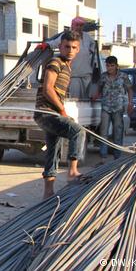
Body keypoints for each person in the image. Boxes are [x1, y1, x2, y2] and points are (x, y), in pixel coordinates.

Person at [34, 30, 85, 199]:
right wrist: (63, 111)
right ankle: (72, 171)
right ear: (60, 47)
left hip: (50, 113)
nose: (70, 50)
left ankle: (48, 193)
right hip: (46, 113)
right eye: (66, 46)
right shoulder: (55, 62)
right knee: (78, 131)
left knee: (53, 150)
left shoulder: (66, 67)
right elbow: (48, 89)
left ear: (78, 49)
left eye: (73, 47)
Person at [38, 16, 98, 99]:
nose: (79, 27)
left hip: (85, 76)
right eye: (77, 25)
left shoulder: (88, 38)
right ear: (72, 25)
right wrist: (46, 44)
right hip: (72, 77)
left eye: (81, 25)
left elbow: (93, 50)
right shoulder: (66, 36)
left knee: (85, 101)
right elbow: (54, 43)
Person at [92, 56, 133, 163]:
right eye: (108, 66)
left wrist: (130, 103)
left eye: (112, 66)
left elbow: (129, 90)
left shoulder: (123, 76)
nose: (109, 68)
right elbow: (99, 89)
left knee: (117, 132)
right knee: (103, 132)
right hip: (105, 107)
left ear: (116, 66)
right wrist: (95, 96)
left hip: (118, 108)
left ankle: (117, 157)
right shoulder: (103, 77)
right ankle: (103, 157)